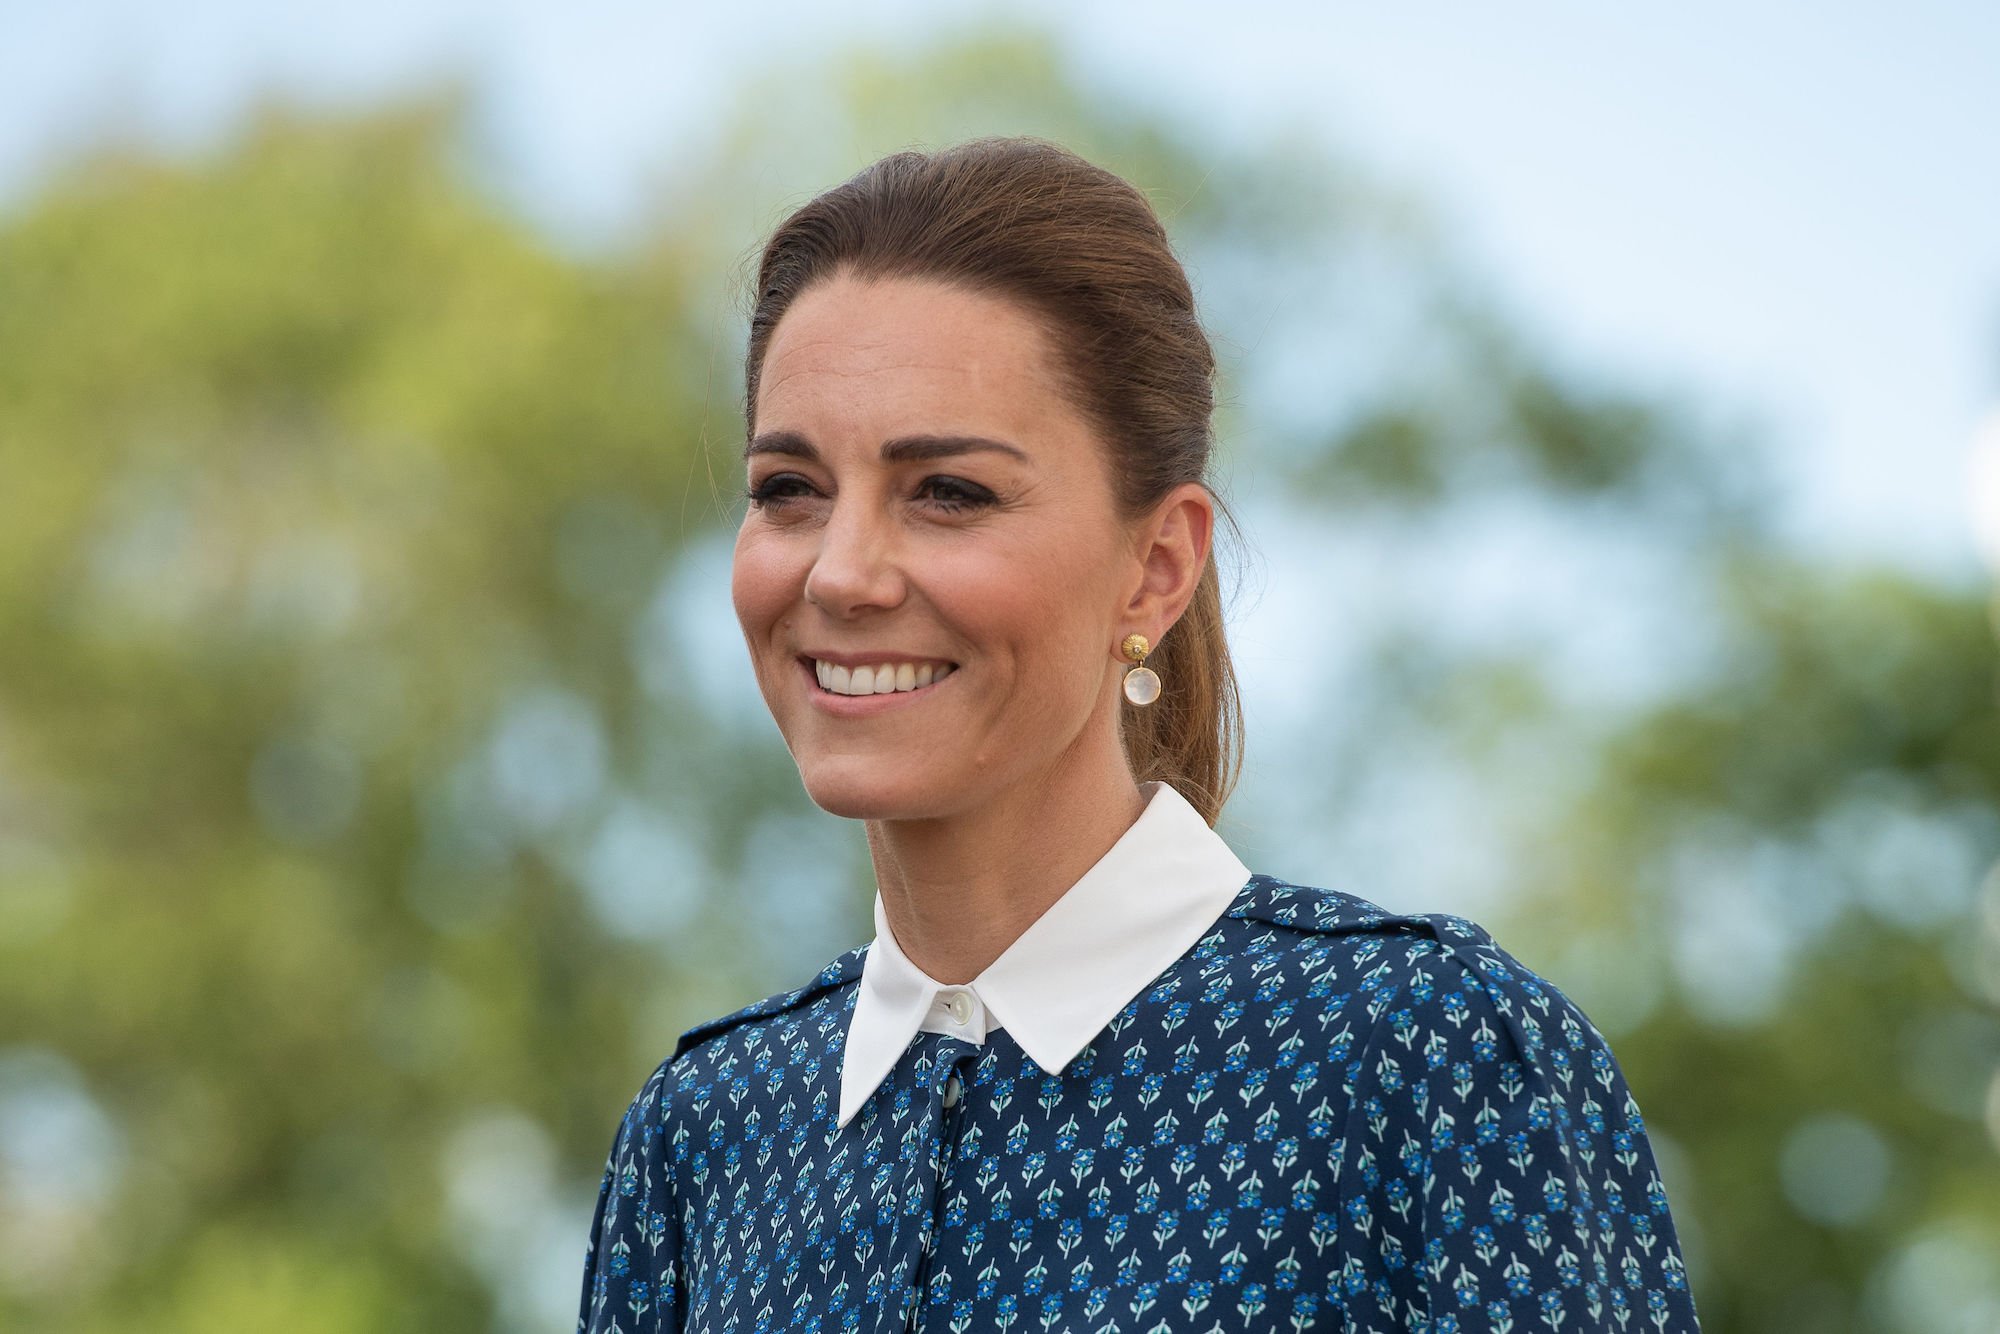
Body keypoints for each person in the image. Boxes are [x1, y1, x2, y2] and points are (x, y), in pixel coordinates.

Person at [576, 137, 1700, 1334]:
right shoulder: (701, 1134)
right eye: (788, 489)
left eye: (947, 491)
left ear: (1155, 567)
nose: (842, 572)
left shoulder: (1428, 1061)